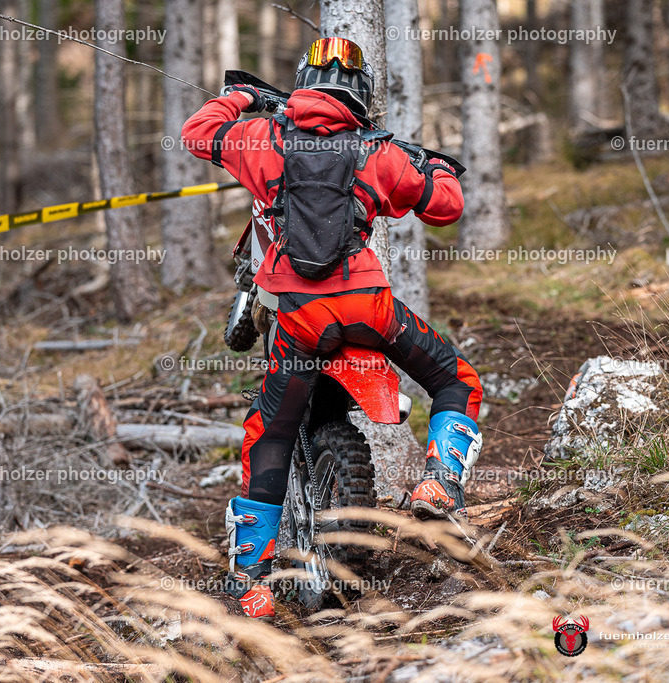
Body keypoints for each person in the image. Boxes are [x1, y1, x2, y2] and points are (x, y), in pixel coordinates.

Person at [181, 37, 483, 618]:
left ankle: (253, 578)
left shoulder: (260, 139)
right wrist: (435, 165)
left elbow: (198, 133)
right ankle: (440, 481)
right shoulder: (379, 153)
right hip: (369, 308)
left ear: (301, 84)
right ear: (362, 94)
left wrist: (240, 97)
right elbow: (446, 207)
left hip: (299, 318)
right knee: (454, 380)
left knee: (269, 435)